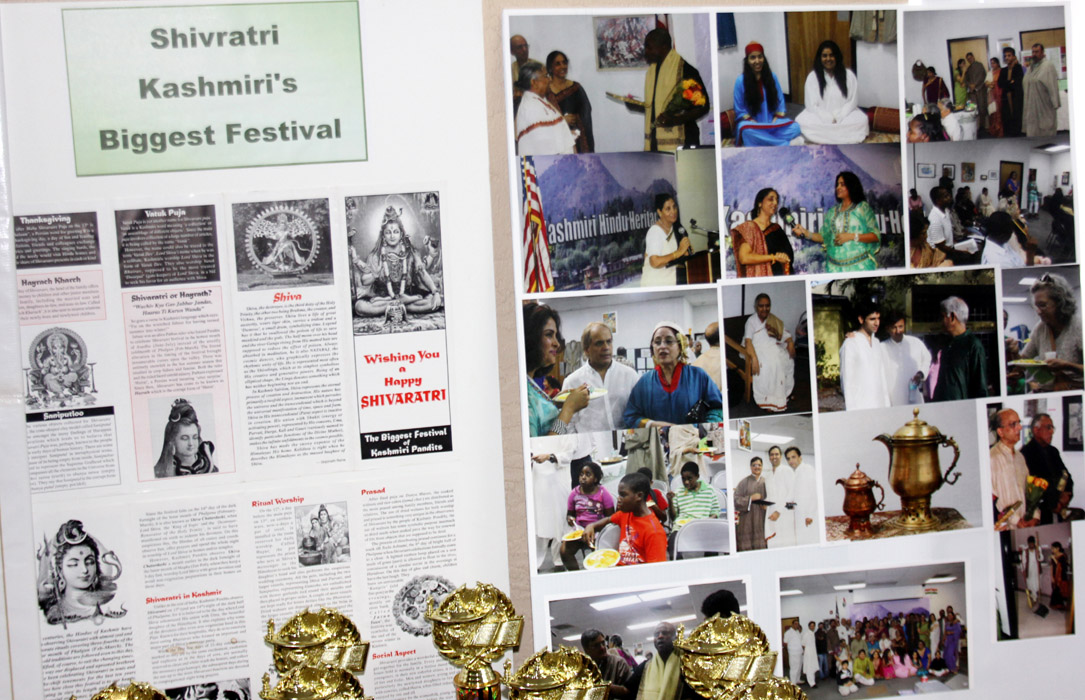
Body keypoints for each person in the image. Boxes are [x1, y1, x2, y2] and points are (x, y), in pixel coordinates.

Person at [624, 322, 723, 428]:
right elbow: (631, 416)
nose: (662, 346)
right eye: (657, 342)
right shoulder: (645, 382)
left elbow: (718, 408)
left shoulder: (698, 376)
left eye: (669, 341)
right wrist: (652, 424)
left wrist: (701, 427)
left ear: (680, 346)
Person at [36, 519, 123, 627]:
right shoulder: (55, 614)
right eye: (73, 564)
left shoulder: (107, 606)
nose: (85, 570)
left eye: (90, 562)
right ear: (59, 570)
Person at [637, 28, 709, 152]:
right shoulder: (652, 72)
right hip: (655, 144)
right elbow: (657, 107)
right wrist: (638, 107)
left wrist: (675, 120)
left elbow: (703, 107)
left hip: (683, 143)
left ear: (664, 47)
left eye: (649, 47)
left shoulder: (684, 70)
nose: (646, 52)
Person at [522, 302, 589, 437]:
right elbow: (540, 448)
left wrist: (557, 403)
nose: (557, 344)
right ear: (530, 338)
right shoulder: (521, 393)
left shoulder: (529, 382)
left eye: (555, 335)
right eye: (549, 335)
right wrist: (568, 409)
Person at [791, 172, 880, 272]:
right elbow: (824, 237)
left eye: (842, 184)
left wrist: (852, 236)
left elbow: (875, 236)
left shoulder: (863, 208)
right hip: (834, 269)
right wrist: (806, 233)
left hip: (860, 267)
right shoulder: (832, 212)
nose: (838, 187)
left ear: (851, 186)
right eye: (837, 185)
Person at [1007, 273, 1083, 391]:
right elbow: (1024, 362)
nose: (1038, 311)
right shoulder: (1040, 328)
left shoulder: (1079, 327)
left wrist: (1068, 365)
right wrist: (1015, 353)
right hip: (1046, 390)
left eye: (1042, 305)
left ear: (1060, 303)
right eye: (1036, 306)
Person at [562, 322, 639, 434]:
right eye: (599, 343)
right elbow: (568, 423)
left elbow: (638, 414)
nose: (606, 347)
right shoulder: (572, 382)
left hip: (626, 441)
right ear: (587, 350)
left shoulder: (630, 376)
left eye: (609, 341)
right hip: (588, 444)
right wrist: (580, 444)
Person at [582, 472, 667, 566]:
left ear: (639, 496)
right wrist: (591, 526)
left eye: (623, 495)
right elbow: (608, 519)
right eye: (619, 495)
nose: (619, 499)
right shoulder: (626, 514)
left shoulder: (654, 532)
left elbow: (655, 570)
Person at [795, 40, 868, 144]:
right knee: (800, 121)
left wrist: (840, 116)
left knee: (862, 120)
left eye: (831, 55)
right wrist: (827, 118)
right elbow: (811, 105)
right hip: (820, 117)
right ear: (820, 58)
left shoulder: (849, 75)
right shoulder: (813, 77)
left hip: (844, 116)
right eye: (824, 56)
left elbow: (852, 101)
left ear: (837, 57)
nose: (828, 59)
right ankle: (841, 136)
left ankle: (823, 136)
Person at [733, 42, 801, 146]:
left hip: (772, 122)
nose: (757, 61)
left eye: (760, 57)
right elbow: (740, 109)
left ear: (764, 58)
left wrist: (775, 120)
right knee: (746, 131)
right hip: (753, 124)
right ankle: (784, 144)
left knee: (796, 128)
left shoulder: (772, 77)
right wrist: (754, 123)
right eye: (753, 58)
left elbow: (780, 101)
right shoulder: (740, 81)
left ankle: (764, 141)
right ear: (747, 61)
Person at [742, 293, 796, 412]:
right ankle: (769, 401)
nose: (765, 309)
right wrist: (754, 359)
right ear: (756, 307)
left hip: (772, 346)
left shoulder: (772, 318)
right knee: (770, 364)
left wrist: (790, 342)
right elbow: (748, 342)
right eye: (761, 306)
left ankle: (783, 395)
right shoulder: (751, 321)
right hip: (757, 348)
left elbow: (784, 333)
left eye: (767, 306)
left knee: (787, 358)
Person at [1022, 414, 1076, 524]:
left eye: (1052, 428)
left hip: (1059, 509)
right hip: (1040, 514)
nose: (1051, 432)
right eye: (1048, 427)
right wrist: (1055, 502)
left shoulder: (1053, 451)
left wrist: (1067, 495)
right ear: (1036, 430)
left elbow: (1066, 477)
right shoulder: (1026, 454)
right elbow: (1034, 486)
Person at [560, 462, 615, 571]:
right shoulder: (574, 494)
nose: (583, 477)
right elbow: (570, 514)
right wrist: (570, 519)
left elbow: (611, 517)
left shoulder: (603, 493)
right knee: (564, 551)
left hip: (598, 530)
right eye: (581, 474)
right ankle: (576, 574)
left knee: (598, 557)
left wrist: (595, 527)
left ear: (595, 479)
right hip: (579, 531)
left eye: (588, 474)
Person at [515, 61, 576, 156]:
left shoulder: (539, 101)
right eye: (546, 76)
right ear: (534, 82)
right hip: (548, 162)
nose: (550, 79)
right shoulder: (531, 107)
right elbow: (546, 146)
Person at [933, 296, 988, 400]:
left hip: (963, 407)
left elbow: (980, 387)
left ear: (952, 317)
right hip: (942, 407)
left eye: (943, 316)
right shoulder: (947, 344)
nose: (941, 321)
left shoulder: (973, 345)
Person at [838, 302, 890, 410]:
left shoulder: (877, 343)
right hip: (861, 407)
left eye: (878, 318)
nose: (877, 323)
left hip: (880, 406)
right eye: (872, 319)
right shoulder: (851, 343)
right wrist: (852, 411)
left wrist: (886, 406)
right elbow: (847, 382)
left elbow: (882, 378)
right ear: (861, 319)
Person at [990, 408, 1036, 530]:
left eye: (1019, 423)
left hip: (1024, 523)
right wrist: (1016, 520)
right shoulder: (992, 458)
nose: (1019, 428)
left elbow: (1029, 491)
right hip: (1005, 527)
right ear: (1000, 432)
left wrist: (1034, 515)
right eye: (1013, 424)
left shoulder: (1020, 457)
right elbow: (992, 501)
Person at [731, 188, 793, 277]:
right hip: (758, 279)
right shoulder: (749, 228)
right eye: (771, 199)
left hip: (778, 278)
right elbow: (744, 258)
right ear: (760, 203)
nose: (775, 203)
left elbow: (789, 256)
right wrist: (773, 257)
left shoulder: (777, 229)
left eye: (777, 200)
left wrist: (783, 258)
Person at [766, 447, 818, 547]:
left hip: (808, 515)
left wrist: (810, 515)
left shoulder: (807, 469)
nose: (791, 461)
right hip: (798, 513)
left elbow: (814, 493)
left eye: (793, 457)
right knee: (800, 541)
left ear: (800, 457)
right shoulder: (796, 472)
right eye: (789, 458)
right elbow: (793, 496)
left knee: (810, 541)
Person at [153, 398, 217, 478]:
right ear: (172, 440)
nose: (191, 443)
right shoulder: (160, 472)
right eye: (184, 438)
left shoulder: (211, 469)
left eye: (195, 437)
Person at [545, 51, 593, 153]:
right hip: (556, 141)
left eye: (564, 62)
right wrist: (562, 120)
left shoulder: (576, 88)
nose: (562, 66)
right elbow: (542, 116)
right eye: (557, 64)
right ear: (550, 68)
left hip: (578, 140)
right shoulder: (545, 91)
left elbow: (586, 112)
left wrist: (576, 118)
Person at [627, 622, 688, 699]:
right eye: (656, 634)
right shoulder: (646, 666)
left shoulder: (687, 664)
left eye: (665, 633)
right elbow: (627, 689)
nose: (660, 636)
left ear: (675, 638)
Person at [882, 311, 932, 406]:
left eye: (900, 326)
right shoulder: (882, 348)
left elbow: (927, 359)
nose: (898, 331)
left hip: (915, 397)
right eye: (894, 327)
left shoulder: (915, 343)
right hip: (893, 400)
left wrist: (920, 374)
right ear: (887, 328)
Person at [642, 194, 691, 287]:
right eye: (668, 209)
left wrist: (683, 253)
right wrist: (678, 252)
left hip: (669, 282)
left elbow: (670, 258)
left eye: (674, 207)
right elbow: (654, 262)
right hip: (654, 285)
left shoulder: (675, 229)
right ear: (659, 212)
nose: (673, 211)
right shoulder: (655, 231)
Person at [581, 629, 633, 697]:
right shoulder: (581, 668)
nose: (602, 648)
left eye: (603, 643)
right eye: (596, 645)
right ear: (586, 650)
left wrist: (604, 687)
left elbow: (630, 691)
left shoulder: (619, 663)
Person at [1023, 43, 1060, 138]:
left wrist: (1055, 103)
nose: (1034, 54)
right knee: (1033, 132)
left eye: (1037, 52)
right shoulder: (1031, 67)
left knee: (1045, 132)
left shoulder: (1048, 66)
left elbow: (1053, 86)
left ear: (1043, 52)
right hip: (1032, 105)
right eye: (1033, 52)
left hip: (1044, 105)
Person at [734, 456, 767, 551]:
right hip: (747, 520)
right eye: (754, 465)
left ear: (762, 466)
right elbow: (736, 500)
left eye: (759, 465)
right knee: (746, 545)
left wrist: (767, 506)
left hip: (762, 518)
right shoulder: (743, 482)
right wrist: (750, 498)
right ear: (750, 467)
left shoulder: (767, 482)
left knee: (761, 545)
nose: (757, 467)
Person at [998, 48, 1024, 137]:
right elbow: (1000, 84)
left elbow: (1018, 82)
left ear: (1013, 56)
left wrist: (1008, 83)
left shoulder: (1018, 68)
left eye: (1009, 55)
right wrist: (1010, 82)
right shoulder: (1003, 70)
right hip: (1006, 98)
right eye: (1005, 56)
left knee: (1017, 115)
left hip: (1016, 97)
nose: (1007, 58)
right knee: (1007, 117)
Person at [691, 322, 722, 390]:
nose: (699, 347)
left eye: (700, 345)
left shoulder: (697, 362)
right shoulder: (725, 360)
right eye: (697, 346)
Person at [964, 52, 987, 131]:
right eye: (968, 59)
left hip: (980, 90)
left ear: (973, 57)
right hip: (972, 92)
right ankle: (975, 127)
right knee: (973, 109)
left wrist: (975, 85)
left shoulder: (979, 65)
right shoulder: (968, 69)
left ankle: (983, 127)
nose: (969, 60)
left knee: (982, 108)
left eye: (970, 58)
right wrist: (970, 85)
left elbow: (982, 76)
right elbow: (966, 80)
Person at [1019, 535, 1044, 611]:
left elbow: (1041, 559)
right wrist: (1022, 570)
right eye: (1029, 544)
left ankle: (1036, 597)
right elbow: (1023, 561)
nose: (1031, 545)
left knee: (1037, 584)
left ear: (1034, 543)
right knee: (1031, 584)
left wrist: (1039, 554)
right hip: (1029, 570)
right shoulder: (1025, 551)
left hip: (1037, 569)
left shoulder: (1038, 548)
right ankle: (1034, 598)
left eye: (1032, 544)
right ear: (1028, 543)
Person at [510, 34, 532, 110]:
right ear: (512, 51)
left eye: (526, 46)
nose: (524, 49)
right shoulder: (509, 71)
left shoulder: (539, 67)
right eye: (520, 47)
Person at [986, 57, 1004, 138]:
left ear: (998, 63)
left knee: (999, 112)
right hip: (992, 94)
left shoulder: (1002, 71)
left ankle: (1000, 131)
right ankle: (994, 131)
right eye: (991, 63)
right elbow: (986, 83)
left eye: (994, 63)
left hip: (1000, 94)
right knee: (993, 112)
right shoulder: (990, 73)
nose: (992, 65)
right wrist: (989, 84)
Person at [1049, 541, 1070, 610]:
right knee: (1055, 590)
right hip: (1055, 575)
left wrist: (1054, 558)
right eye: (1052, 548)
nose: (1052, 550)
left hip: (1061, 576)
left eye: (1053, 548)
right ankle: (1057, 605)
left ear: (1058, 548)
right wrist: (1052, 576)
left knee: (1060, 590)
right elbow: (1052, 566)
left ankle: (1060, 606)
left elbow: (1061, 566)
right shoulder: (1053, 555)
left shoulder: (1063, 556)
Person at [784, 621, 805, 685]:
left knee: (799, 667)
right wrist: (789, 650)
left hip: (799, 652)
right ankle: (793, 682)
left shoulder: (798, 632)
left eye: (798, 624)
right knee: (794, 668)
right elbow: (785, 643)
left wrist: (802, 650)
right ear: (792, 624)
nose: (797, 625)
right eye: (795, 624)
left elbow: (800, 642)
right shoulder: (788, 632)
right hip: (793, 653)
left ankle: (797, 679)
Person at [801, 621, 819, 687]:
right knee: (809, 668)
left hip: (813, 653)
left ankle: (813, 681)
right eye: (811, 626)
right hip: (808, 653)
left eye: (813, 626)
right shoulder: (806, 634)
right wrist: (807, 652)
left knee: (813, 667)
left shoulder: (813, 633)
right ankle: (811, 683)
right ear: (809, 626)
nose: (812, 627)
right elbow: (803, 644)